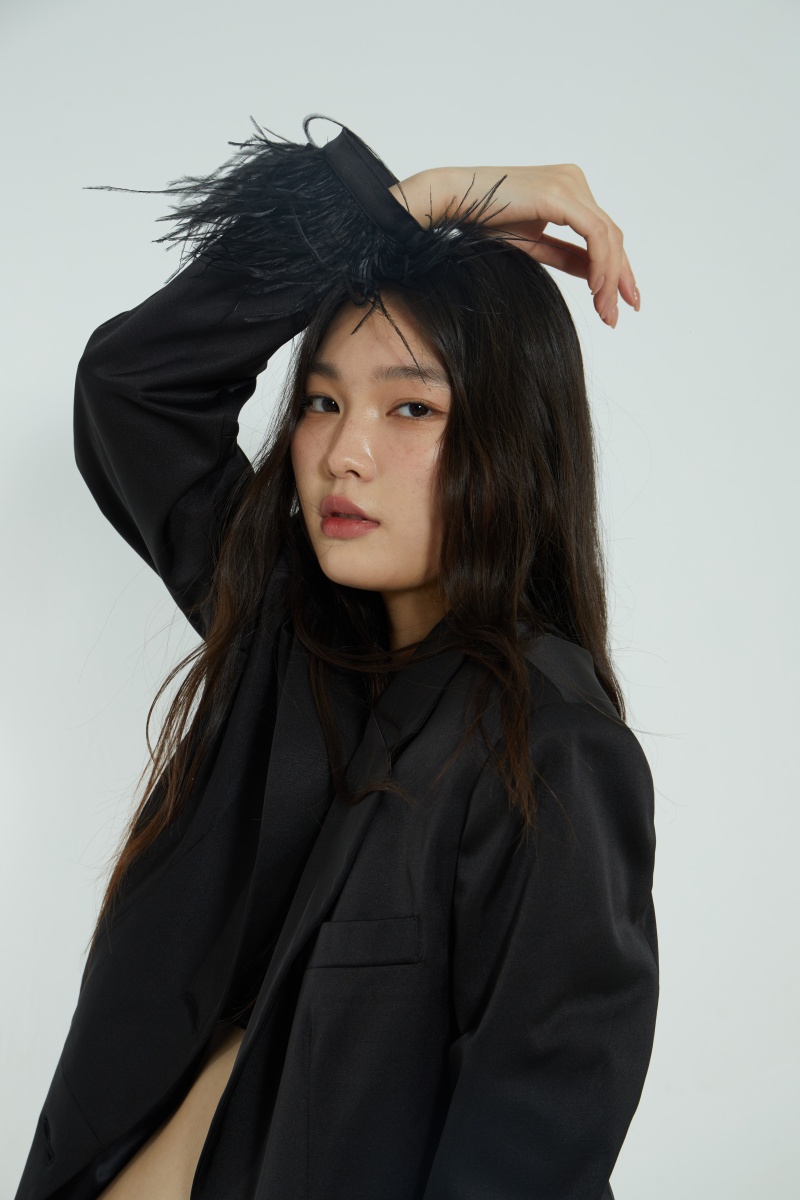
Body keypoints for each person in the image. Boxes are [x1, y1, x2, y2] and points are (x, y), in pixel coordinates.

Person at [15, 115, 657, 1200]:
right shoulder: (289, 632)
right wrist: (414, 203)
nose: (342, 454)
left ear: (510, 440)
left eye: (411, 406)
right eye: (321, 400)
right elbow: (134, 386)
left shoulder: (548, 749)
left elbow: (525, 1158)